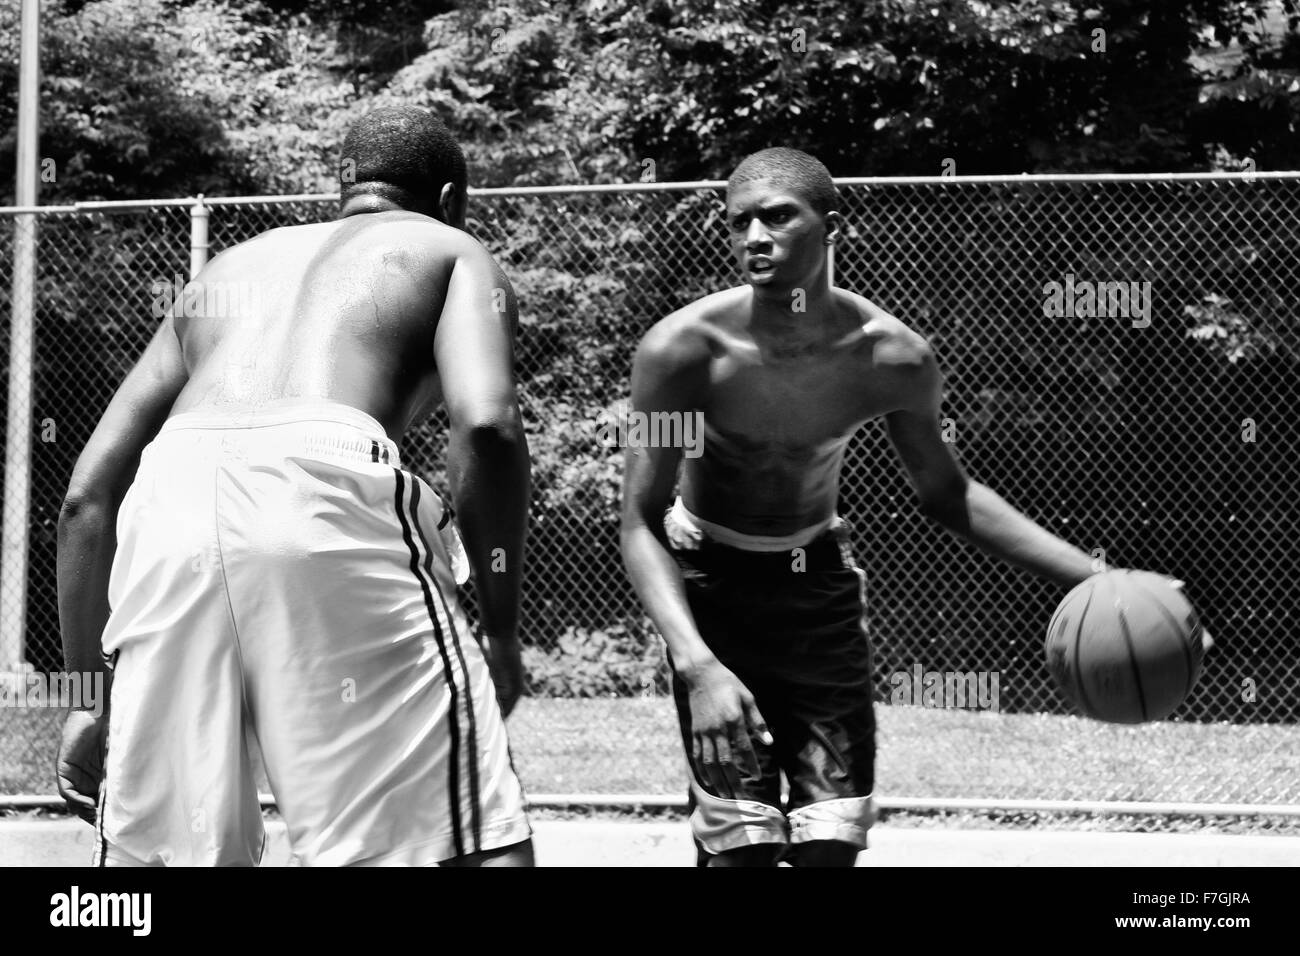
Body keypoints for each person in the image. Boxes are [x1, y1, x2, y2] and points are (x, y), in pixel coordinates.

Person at [55, 106, 534, 867]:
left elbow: (86, 495)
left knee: (165, 860)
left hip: (170, 501)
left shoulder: (229, 268)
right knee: (467, 840)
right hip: (322, 486)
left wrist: (85, 696)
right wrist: (503, 630)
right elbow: (487, 429)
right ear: (449, 199)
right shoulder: (450, 249)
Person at [620, 147, 1109, 867]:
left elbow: (949, 494)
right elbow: (640, 519)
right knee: (740, 852)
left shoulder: (891, 357)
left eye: (778, 217)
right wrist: (697, 666)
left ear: (831, 226)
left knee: (829, 848)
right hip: (709, 588)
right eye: (739, 223)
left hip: (817, 591)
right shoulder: (683, 351)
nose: (755, 237)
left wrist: (1097, 580)